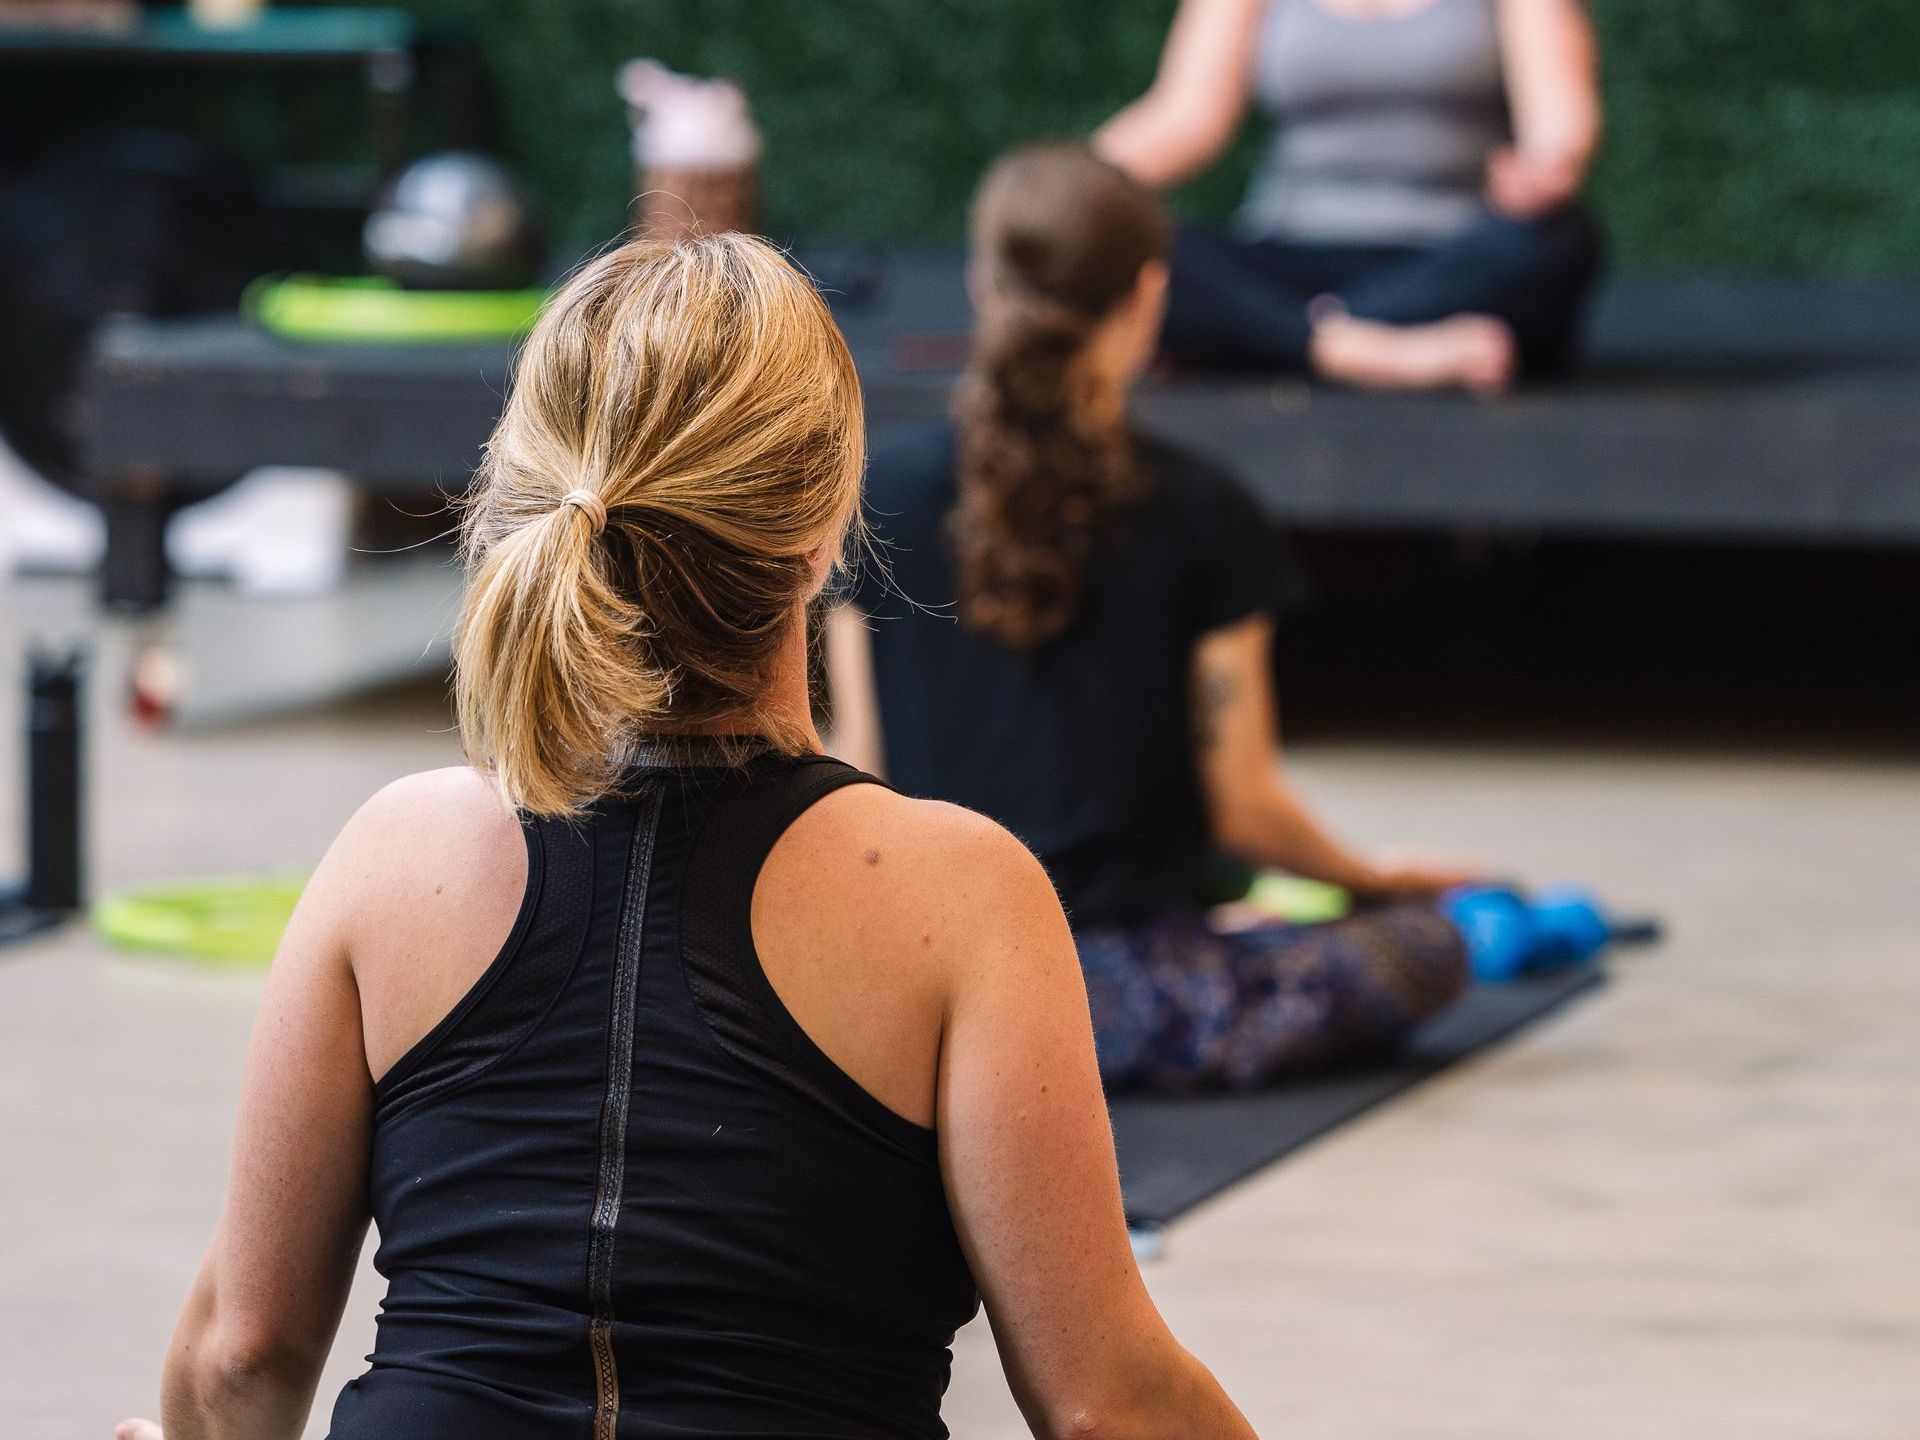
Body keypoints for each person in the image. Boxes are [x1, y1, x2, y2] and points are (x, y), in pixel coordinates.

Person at [116, 235, 1258, 1440]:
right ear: (823, 534)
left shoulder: (393, 854)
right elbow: (1107, 1408)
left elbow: (243, 1356)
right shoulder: (961, 894)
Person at [828, 144, 1478, 1093]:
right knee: (1427, 945)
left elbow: (862, 770)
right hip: (1128, 988)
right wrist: (1375, 879)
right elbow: (1244, 806)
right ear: (1147, 296)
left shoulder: (876, 492)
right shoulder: (1209, 509)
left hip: (934, 987)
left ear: (983, 284)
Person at [1094, 0, 1605, 391]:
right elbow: (1185, 118)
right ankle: (1367, 351)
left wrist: (1542, 172)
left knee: (1559, 239)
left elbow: (1559, 121)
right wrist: (1068, 184)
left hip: (1452, 261)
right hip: (1290, 254)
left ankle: (1278, 339)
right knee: (1147, 250)